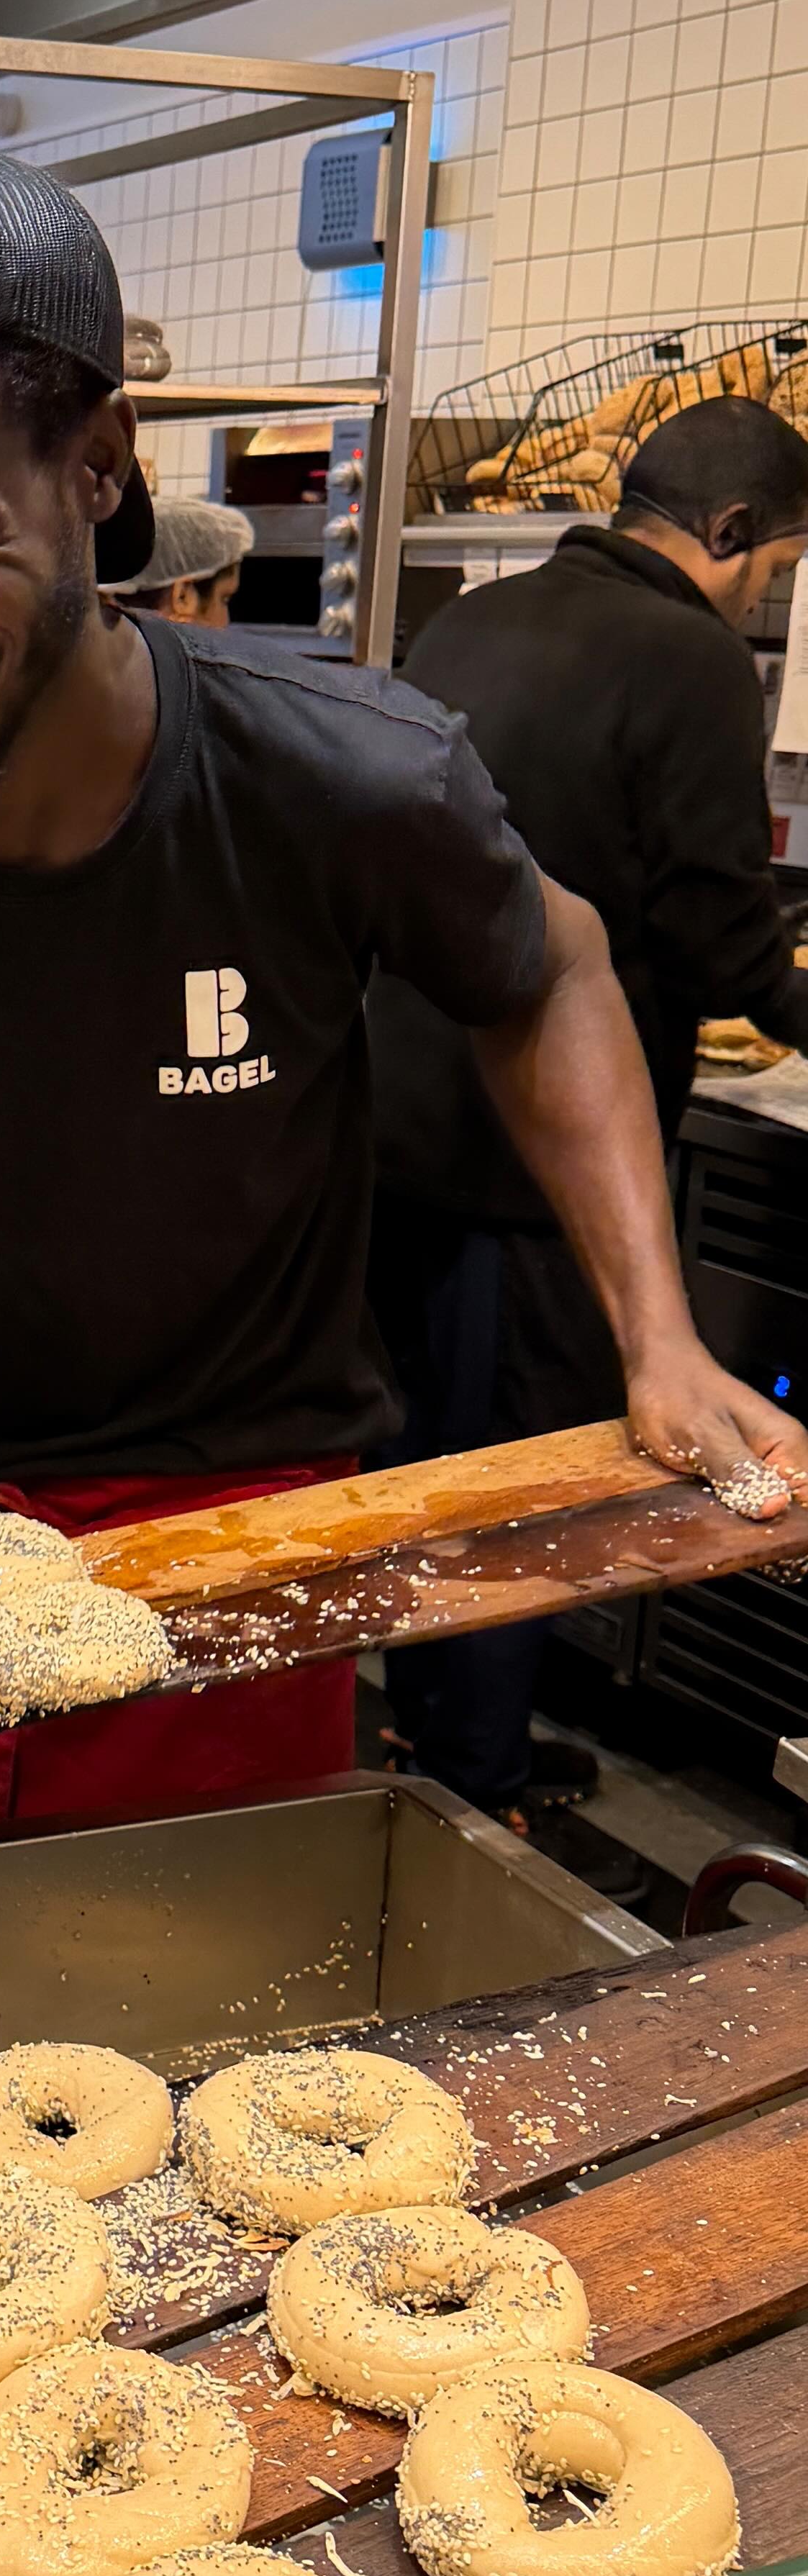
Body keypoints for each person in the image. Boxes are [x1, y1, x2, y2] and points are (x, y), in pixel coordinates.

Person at [0, 141, 805, 1854]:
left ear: (96, 468)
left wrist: (655, 1339)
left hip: (238, 1557)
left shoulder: (336, 777)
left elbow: (554, 975)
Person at [368, 390, 808, 1823]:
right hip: (539, 1154)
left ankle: (421, 1743)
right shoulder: (688, 658)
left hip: (395, 1122)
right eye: (778, 568)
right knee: (528, 1483)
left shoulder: (475, 617)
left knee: (423, 1465)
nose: (770, 599)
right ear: (730, 531)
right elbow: (721, 937)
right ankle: (476, 1796)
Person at [103, 494, 250, 627]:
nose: (225, 621)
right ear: (182, 596)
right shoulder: (164, 657)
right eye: (224, 599)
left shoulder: (100, 648)